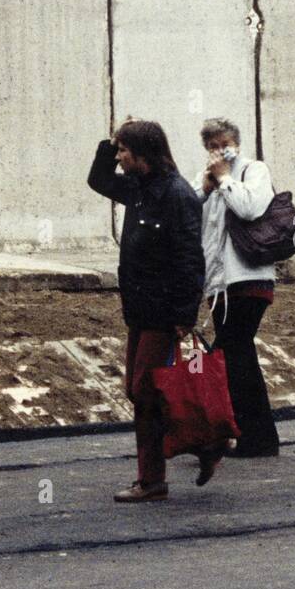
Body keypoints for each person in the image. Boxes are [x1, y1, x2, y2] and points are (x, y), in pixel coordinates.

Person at [87, 118, 209, 502]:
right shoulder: (137, 188)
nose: (120, 158)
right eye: (119, 150)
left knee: (144, 391)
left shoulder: (177, 195)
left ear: (143, 153)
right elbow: (99, 181)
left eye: (124, 150)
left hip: (163, 311)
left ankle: (152, 479)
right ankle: (206, 443)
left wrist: (183, 316)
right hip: (138, 310)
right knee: (138, 390)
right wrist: (109, 144)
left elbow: (191, 259)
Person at [191, 118, 281, 458]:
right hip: (218, 286)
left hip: (248, 278)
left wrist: (226, 179)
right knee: (236, 355)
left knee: (231, 352)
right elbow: (190, 221)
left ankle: (251, 436)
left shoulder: (253, 171)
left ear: (237, 144)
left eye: (224, 143)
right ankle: (253, 436)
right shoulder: (210, 182)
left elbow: (249, 208)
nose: (219, 151)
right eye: (212, 146)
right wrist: (204, 189)